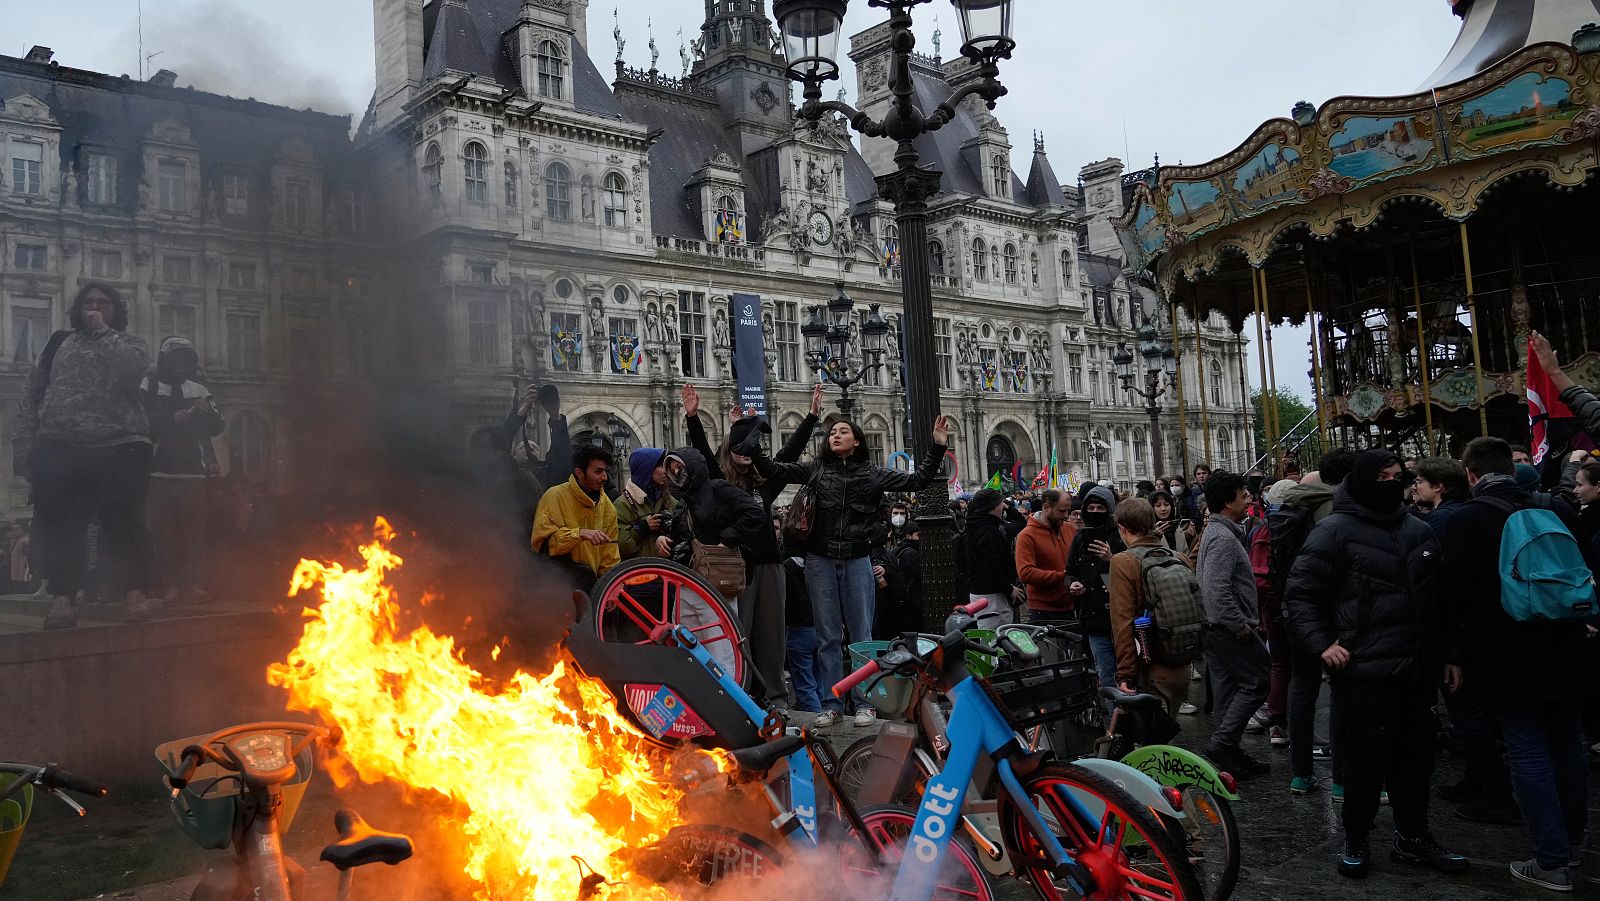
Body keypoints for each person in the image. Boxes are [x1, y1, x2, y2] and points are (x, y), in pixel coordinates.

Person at [1284, 449, 1467, 878]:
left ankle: (1414, 836)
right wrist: (1324, 643)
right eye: (1382, 476)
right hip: (1364, 668)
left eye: (1397, 476)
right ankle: (1357, 835)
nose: (1392, 482)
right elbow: (1301, 595)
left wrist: (1452, 655)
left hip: (1417, 666)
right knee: (1365, 759)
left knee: (1416, 758)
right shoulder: (1334, 531)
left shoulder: (1419, 531)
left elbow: (1443, 600)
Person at [1443, 436, 1597, 892]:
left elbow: (1454, 595)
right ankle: (1571, 845)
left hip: (1506, 649)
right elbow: (1584, 571)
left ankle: (1550, 861)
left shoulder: (1468, 518)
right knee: (1568, 746)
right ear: (1512, 471)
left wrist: (1453, 655)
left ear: (1471, 474)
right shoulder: (1559, 508)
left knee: (1527, 749)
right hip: (1567, 643)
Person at [752, 414, 951, 728]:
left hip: (858, 559)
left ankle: (864, 703)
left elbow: (917, 481)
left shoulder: (871, 473)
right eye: (832, 432)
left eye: (843, 431)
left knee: (861, 637)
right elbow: (773, 469)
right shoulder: (816, 469)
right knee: (827, 637)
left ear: (856, 441)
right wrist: (752, 444)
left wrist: (938, 447)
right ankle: (832, 704)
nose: (836, 435)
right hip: (820, 560)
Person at [16, 283, 153, 628]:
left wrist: (103, 333)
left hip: (119, 444)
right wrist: (24, 445)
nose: (94, 308)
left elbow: (131, 372)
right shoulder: (58, 344)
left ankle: (134, 594)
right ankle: (64, 598)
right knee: (63, 526)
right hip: (61, 444)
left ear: (115, 310)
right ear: (76, 310)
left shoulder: (130, 343)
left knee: (124, 523)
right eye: (88, 303)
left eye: (102, 303)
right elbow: (32, 392)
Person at [682, 383, 819, 718]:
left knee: (772, 633)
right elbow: (701, 452)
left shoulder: (764, 482)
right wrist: (693, 417)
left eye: (751, 446)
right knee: (738, 632)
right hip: (737, 566)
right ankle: (742, 690)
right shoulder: (720, 485)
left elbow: (787, 455)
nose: (746, 451)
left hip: (770, 564)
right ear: (729, 450)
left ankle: (775, 695)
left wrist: (812, 417)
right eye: (739, 446)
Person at [1195, 470, 1270, 777]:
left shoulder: (1220, 532)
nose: (1248, 498)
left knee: (1226, 689)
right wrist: (1239, 623)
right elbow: (1215, 588)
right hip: (1229, 628)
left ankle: (1229, 751)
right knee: (1258, 681)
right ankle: (1224, 742)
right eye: (1243, 495)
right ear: (1228, 502)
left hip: (1219, 627)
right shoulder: (1223, 538)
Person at [143, 337, 225, 603]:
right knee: (162, 532)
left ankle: (195, 583)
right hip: (158, 473)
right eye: (175, 358)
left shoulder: (199, 389)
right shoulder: (149, 385)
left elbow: (217, 426)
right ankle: (169, 584)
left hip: (193, 473)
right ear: (165, 360)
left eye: (184, 359)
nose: (180, 364)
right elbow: (136, 419)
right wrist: (168, 419)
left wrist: (205, 414)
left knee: (194, 532)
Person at [1109, 497, 1196, 715]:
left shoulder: (1123, 561)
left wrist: (1125, 674)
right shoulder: (1179, 558)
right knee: (1168, 733)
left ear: (1122, 528)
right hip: (1182, 662)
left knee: (1149, 744)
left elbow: (1123, 622)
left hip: (1149, 667)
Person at [530, 446, 619, 590]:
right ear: (579, 472)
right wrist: (578, 534)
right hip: (555, 587)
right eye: (598, 471)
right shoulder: (554, 496)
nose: (604, 477)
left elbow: (610, 556)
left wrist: (610, 587)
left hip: (591, 588)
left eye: (605, 471)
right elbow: (542, 545)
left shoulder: (608, 507)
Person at [1065, 485, 1125, 694]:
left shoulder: (1120, 535)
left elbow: (1132, 571)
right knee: (1106, 676)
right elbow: (1070, 571)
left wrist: (1112, 559)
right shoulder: (1080, 538)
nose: (1096, 512)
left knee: (1127, 674)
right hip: (1093, 618)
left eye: (1101, 507)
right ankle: (1112, 722)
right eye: (1091, 507)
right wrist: (1072, 584)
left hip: (1121, 619)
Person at [962, 487, 1022, 627]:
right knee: (996, 639)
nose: (1003, 506)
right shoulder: (989, 531)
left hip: (982, 593)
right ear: (994, 506)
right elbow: (991, 565)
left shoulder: (975, 526)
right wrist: (1009, 588)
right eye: (1001, 503)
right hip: (993, 597)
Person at [1015, 489, 1077, 624]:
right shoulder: (1027, 535)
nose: (1066, 515)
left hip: (1072, 607)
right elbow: (1025, 573)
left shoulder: (1069, 529)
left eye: (1067, 510)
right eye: (1061, 511)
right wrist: (1063, 576)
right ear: (1046, 507)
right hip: (1043, 611)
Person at [614, 448, 677, 560]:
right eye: (660, 466)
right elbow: (619, 548)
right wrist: (641, 528)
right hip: (639, 573)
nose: (665, 471)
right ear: (646, 469)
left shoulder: (668, 499)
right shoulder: (622, 504)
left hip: (666, 571)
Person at [1414, 457, 1470, 539]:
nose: (1415, 487)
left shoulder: (1441, 518)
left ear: (1437, 486)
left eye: (1419, 482)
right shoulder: (1461, 508)